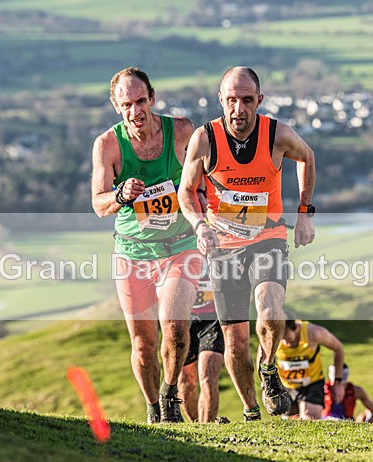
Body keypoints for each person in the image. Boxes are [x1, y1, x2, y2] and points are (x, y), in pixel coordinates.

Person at [178, 66, 317, 420]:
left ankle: (268, 368)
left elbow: (307, 157)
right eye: (232, 100)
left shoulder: (277, 135)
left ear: (260, 100)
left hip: (268, 237)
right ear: (221, 100)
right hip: (223, 246)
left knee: (270, 313)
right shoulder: (205, 138)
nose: (239, 109)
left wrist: (303, 213)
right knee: (236, 343)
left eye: (247, 100)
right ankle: (252, 410)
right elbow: (186, 192)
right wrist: (198, 225)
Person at [91, 67, 200, 423]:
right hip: (133, 253)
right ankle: (154, 408)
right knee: (143, 344)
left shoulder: (181, 131)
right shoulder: (108, 145)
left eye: (140, 101)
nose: (135, 111)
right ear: (116, 106)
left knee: (175, 326)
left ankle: (170, 393)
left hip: (180, 245)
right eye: (126, 104)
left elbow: (208, 177)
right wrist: (121, 194)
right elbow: (98, 204)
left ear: (152, 98)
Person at [178, 271, 226, 423]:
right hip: (185, 318)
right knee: (185, 381)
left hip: (214, 318)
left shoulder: (218, 247)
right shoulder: (178, 247)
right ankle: (196, 425)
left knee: (207, 375)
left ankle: (207, 426)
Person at [274, 318, 344, 420]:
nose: (285, 343)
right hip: (286, 386)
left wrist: (337, 382)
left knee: (310, 419)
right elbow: (262, 358)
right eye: (282, 339)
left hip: (312, 384)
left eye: (288, 339)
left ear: (296, 328)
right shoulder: (272, 336)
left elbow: (338, 349)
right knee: (289, 425)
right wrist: (266, 387)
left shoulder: (314, 332)